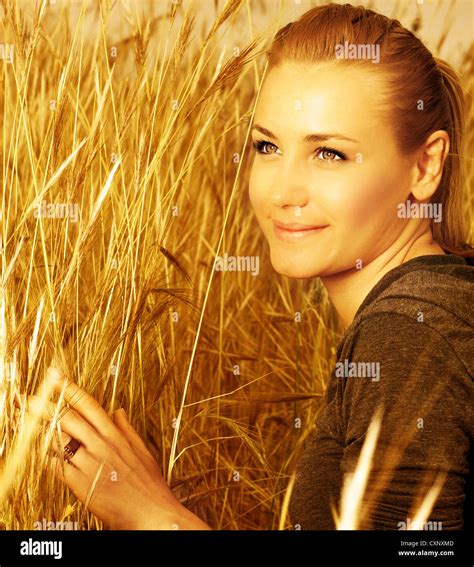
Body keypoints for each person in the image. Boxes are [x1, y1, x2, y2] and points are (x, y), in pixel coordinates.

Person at [28, 2, 473, 530]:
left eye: (329, 153)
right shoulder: (436, 303)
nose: (281, 191)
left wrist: (153, 515)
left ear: (424, 166)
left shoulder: (408, 330)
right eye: (267, 146)